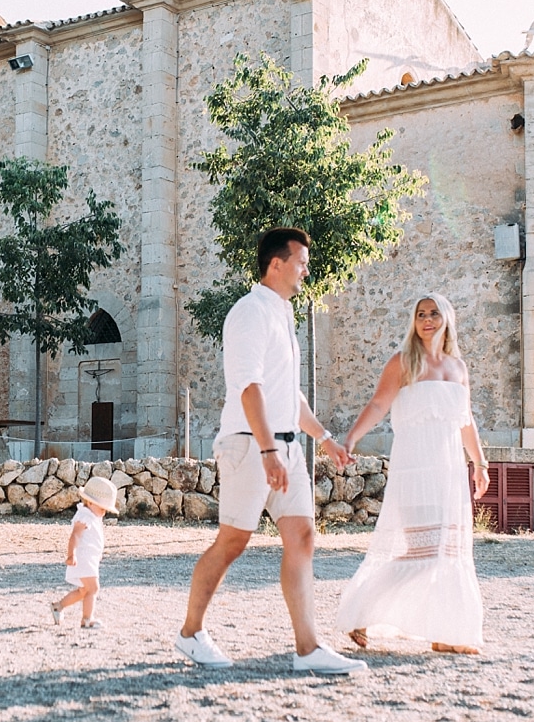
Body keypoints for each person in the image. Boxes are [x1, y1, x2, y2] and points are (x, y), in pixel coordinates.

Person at [174, 227, 366, 675]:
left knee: (302, 537)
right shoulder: (249, 312)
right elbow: (249, 388)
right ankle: (190, 633)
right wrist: (266, 450)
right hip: (250, 446)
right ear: (275, 264)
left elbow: (290, 397)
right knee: (234, 541)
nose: (306, 269)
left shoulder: (283, 314)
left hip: (286, 446)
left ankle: (308, 649)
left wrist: (325, 439)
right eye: (300, 261)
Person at [335, 293, 490, 654]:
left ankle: (447, 634)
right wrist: (352, 437)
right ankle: (360, 609)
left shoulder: (458, 369)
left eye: (434, 313)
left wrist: (479, 464)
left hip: (449, 475)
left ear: (447, 318)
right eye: (421, 314)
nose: (427, 320)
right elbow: (378, 404)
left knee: (449, 552)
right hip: (414, 472)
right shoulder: (403, 362)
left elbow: (465, 422)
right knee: (423, 551)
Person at [51, 475, 118, 629]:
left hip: (90, 559)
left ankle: (58, 606)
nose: (104, 512)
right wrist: (71, 554)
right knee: (93, 588)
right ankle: (87, 619)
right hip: (82, 558)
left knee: (83, 590)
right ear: (89, 502)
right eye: (102, 508)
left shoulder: (92, 516)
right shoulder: (84, 516)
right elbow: (75, 536)